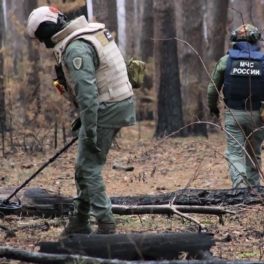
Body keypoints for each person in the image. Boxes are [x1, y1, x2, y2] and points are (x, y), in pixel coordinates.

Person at [27, 6, 136, 236]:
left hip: (107, 106)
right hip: (114, 103)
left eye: (41, 39)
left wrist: (89, 129)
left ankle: (105, 226)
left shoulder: (75, 48)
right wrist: (86, 122)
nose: (42, 44)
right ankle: (79, 220)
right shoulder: (87, 33)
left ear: (47, 33)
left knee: (88, 168)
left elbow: (88, 95)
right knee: (83, 165)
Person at [207, 24, 264, 189]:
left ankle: (240, 187)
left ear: (234, 39)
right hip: (258, 116)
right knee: (254, 154)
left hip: (234, 114)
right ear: (256, 40)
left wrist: (213, 108)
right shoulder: (263, 62)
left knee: (235, 153)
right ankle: (255, 190)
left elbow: (212, 89)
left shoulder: (226, 60)